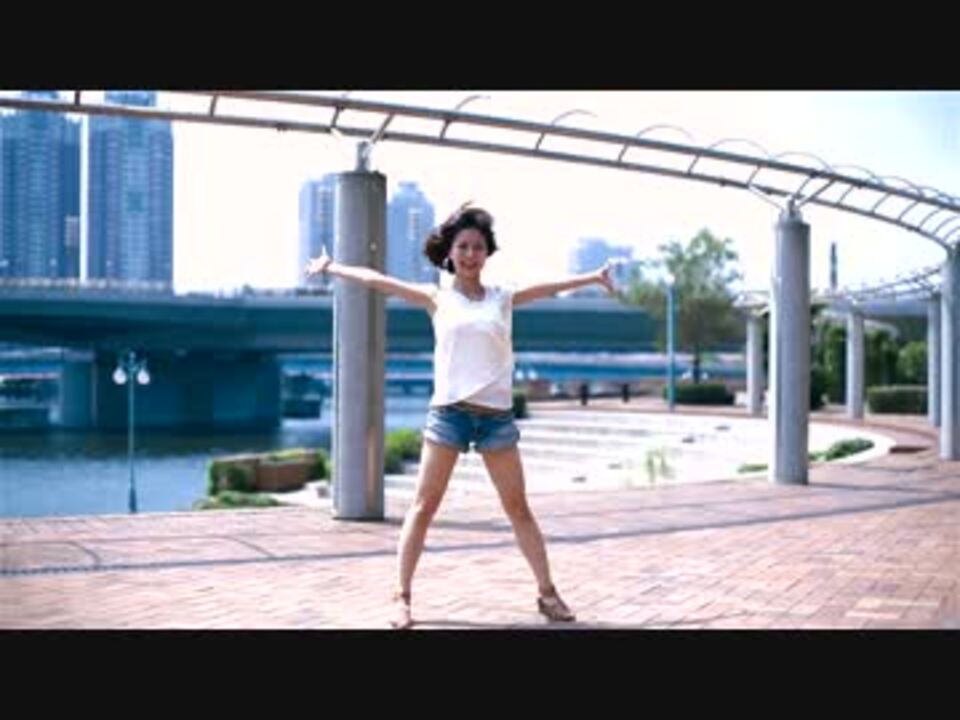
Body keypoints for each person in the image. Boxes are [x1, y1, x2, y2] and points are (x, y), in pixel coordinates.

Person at [305, 202, 614, 629]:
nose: (470, 254)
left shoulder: (503, 298)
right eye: (463, 246)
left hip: (495, 419)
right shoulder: (437, 298)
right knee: (423, 507)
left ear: (488, 253)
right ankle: (401, 597)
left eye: (478, 247)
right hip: (449, 416)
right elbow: (379, 281)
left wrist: (593, 277)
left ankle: (548, 594)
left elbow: (548, 287)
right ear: (450, 252)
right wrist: (332, 267)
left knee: (518, 508)